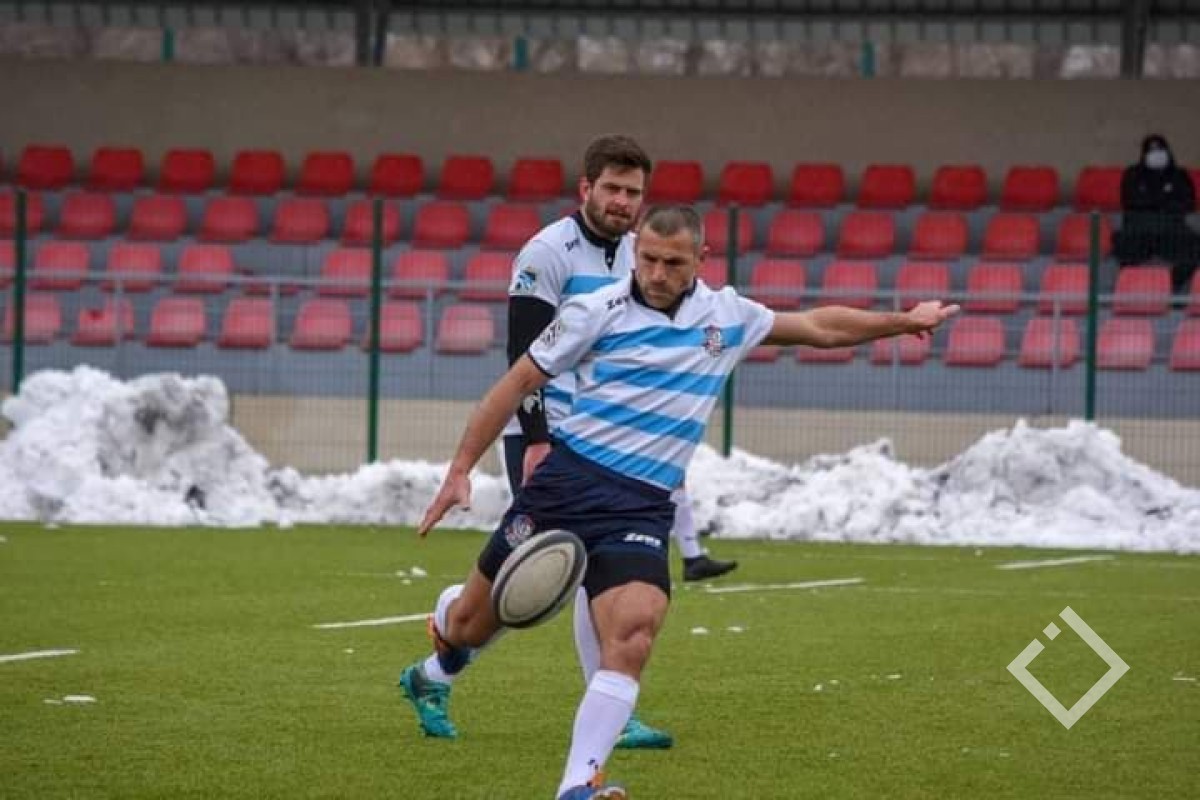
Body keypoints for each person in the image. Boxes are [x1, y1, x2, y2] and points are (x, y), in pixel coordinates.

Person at [400, 204, 959, 799]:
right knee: (472, 625)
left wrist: (902, 321)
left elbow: (820, 327)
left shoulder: (727, 316)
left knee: (633, 635)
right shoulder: (596, 311)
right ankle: (445, 639)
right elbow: (516, 383)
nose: (657, 273)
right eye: (648, 259)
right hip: (566, 489)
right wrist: (460, 469)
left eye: (673, 262)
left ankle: (578, 786)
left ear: (700, 259)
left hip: (641, 509)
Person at [502, 134, 731, 751]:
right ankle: (443, 654)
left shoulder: (641, 252)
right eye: (612, 188)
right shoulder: (546, 252)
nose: (623, 201)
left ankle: (609, 709)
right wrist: (536, 439)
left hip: (607, 436)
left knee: (588, 571)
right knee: (518, 580)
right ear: (587, 188)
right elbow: (522, 356)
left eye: (633, 192)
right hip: (546, 436)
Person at [1112, 134, 1200, 293]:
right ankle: (1128, 288)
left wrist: (1153, 201)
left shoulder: (1179, 175)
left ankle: (1173, 283)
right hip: (1140, 229)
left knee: (1195, 248)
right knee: (1122, 245)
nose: (1157, 153)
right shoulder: (1132, 174)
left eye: (1160, 149)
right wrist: (1165, 198)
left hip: (1171, 230)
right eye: (1151, 150)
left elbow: (1188, 203)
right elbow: (1131, 201)